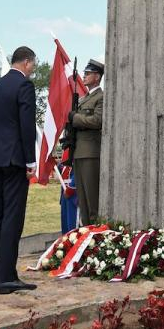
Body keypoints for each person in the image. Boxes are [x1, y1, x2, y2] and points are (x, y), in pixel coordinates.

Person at [0, 45, 39, 295]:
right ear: (26, 63)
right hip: (16, 158)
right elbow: (26, 126)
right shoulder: (24, 86)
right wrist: (31, 160)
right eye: (33, 65)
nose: (33, 70)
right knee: (12, 217)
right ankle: (8, 276)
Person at [68, 57, 103, 224]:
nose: (84, 76)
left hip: (91, 152)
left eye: (88, 73)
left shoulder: (100, 97)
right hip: (79, 151)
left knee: (92, 200)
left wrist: (75, 118)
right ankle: (86, 234)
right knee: (82, 201)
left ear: (97, 76)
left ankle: (95, 234)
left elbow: (97, 121)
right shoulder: (82, 99)